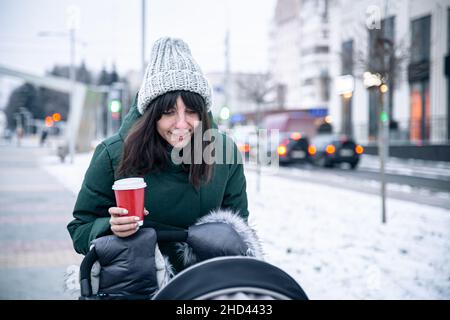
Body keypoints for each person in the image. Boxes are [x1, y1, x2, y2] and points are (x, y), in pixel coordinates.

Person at [67, 37, 250, 273]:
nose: (182, 123)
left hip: (206, 285)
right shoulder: (113, 154)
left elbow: (239, 230)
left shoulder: (224, 154)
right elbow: (80, 229)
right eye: (169, 112)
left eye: (192, 111)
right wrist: (109, 226)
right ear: (151, 114)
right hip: (137, 283)